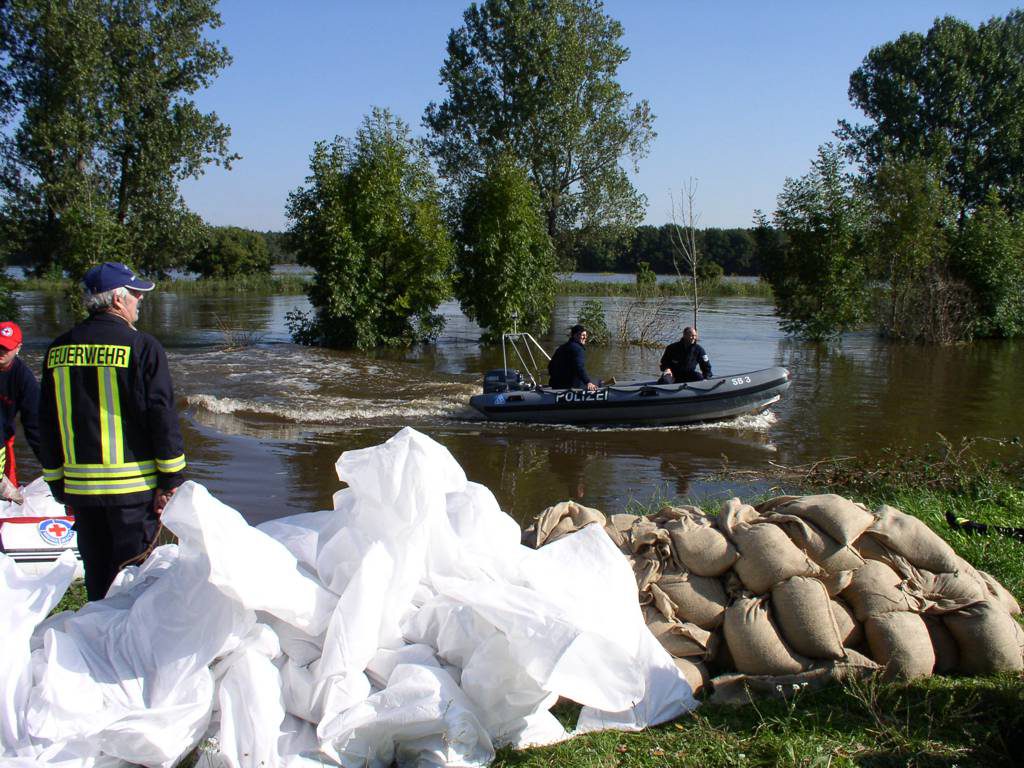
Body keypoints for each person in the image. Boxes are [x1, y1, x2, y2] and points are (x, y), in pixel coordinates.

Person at [38, 262, 187, 601]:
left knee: (98, 575)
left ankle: (96, 643)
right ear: (118, 300)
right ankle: (131, 647)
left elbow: (47, 422)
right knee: (135, 580)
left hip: (81, 491)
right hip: (133, 492)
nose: (140, 301)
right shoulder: (143, 347)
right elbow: (161, 415)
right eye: (136, 294)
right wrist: (171, 480)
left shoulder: (57, 350)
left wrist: (57, 484)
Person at [0, 321, 42, 488]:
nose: (1, 352)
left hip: (4, 439)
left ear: (18, 348)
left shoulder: (24, 378)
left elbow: (34, 424)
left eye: (6, 348)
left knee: (9, 488)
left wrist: (48, 462)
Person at [548, 324, 598, 391]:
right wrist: (588, 382)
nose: (585, 337)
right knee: (598, 382)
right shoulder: (578, 349)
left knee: (594, 380)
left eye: (586, 335)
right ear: (575, 335)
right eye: (582, 335)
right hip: (569, 385)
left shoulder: (562, 347)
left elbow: (550, 366)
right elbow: (579, 368)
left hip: (555, 384)